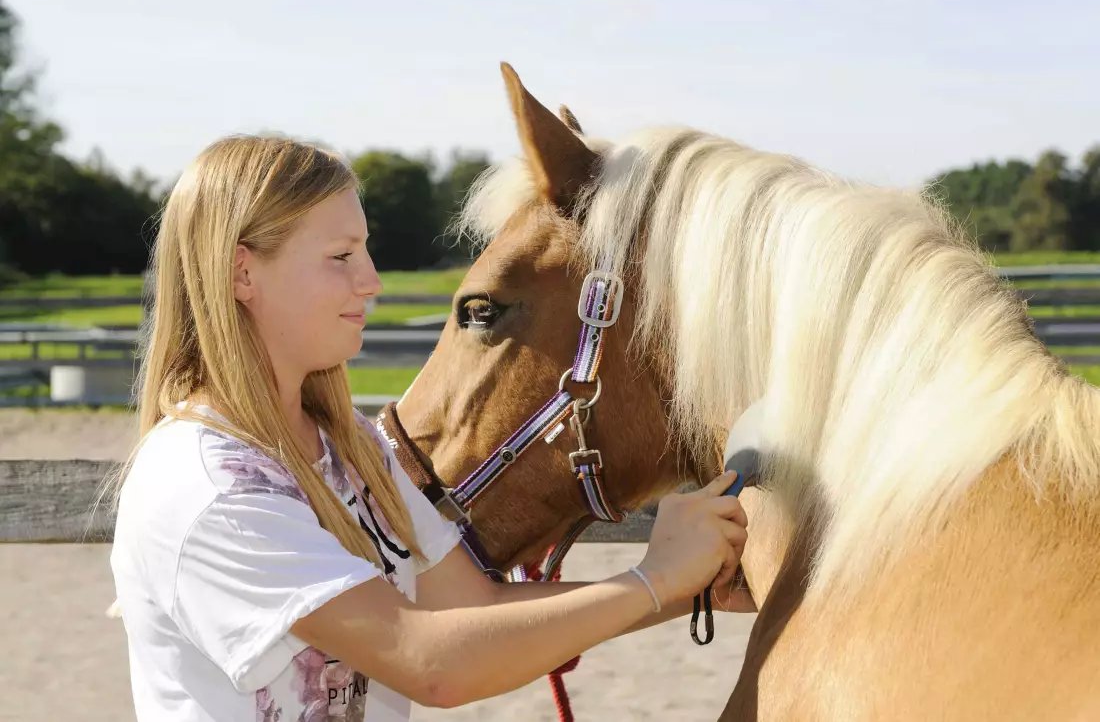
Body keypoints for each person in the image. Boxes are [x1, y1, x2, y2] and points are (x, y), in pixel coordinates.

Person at [107, 134, 753, 722]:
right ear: (242, 272)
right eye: (340, 256)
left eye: (364, 251)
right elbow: (431, 661)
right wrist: (652, 579)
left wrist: (683, 585)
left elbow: (472, 611)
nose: (372, 281)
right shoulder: (208, 483)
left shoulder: (353, 450)